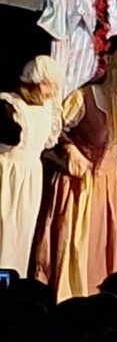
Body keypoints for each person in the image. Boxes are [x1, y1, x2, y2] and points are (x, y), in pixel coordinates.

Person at [35, 51, 117, 301]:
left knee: (106, 245)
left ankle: (108, 300)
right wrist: (70, 148)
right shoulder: (85, 98)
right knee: (79, 243)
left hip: (109, 186)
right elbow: (53, 132)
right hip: (79, 185)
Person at [0, 56, 63, 277]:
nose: (52, 92)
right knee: (4, 230)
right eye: (47, 85)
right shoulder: (10, 104)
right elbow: (12, 136)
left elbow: (48, 143)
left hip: (30, 178)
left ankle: (13, 282)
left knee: (22, 235)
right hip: (8, 175)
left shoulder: (48, 109)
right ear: (33, 81)